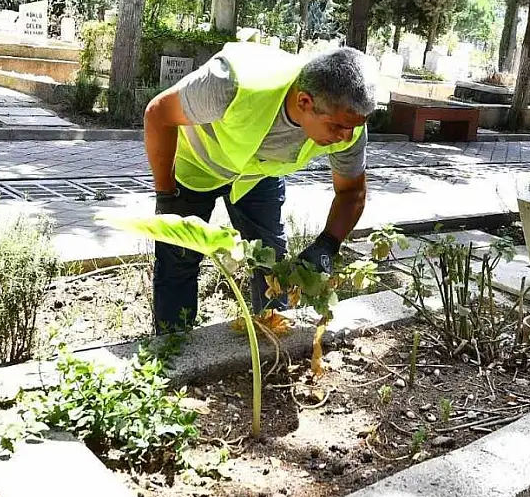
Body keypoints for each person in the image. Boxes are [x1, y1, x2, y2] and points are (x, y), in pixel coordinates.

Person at [143, 42, 377, 334]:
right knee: (179, 258)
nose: (347, 137)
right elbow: (158, 114)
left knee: (271, 261)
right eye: (338, 128)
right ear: (304, 101)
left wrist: (328, 244)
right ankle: (172, 347)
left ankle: (272, 340)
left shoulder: (348, 121)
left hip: (257, 175)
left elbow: (352, 192)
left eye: (355, 127)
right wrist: (166, 194)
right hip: (199, 167)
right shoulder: (230, 83)